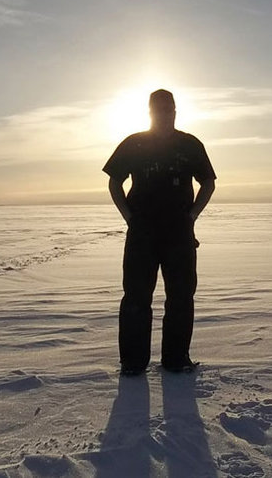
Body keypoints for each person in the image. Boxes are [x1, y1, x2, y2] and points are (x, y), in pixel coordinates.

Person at [103, 89, 216, 375]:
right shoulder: (134, 144)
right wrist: (129, 217)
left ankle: (177, 359)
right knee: (136, 296)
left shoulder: (190, 145)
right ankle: (132, 362)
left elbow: (208, 183)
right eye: (159, 109)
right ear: (150, 111)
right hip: (142, 232)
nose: (165, 114)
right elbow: (114, 183)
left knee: (181, 295)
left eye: (170, 109)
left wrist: (191, 216)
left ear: (175, 111)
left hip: (179, 232)